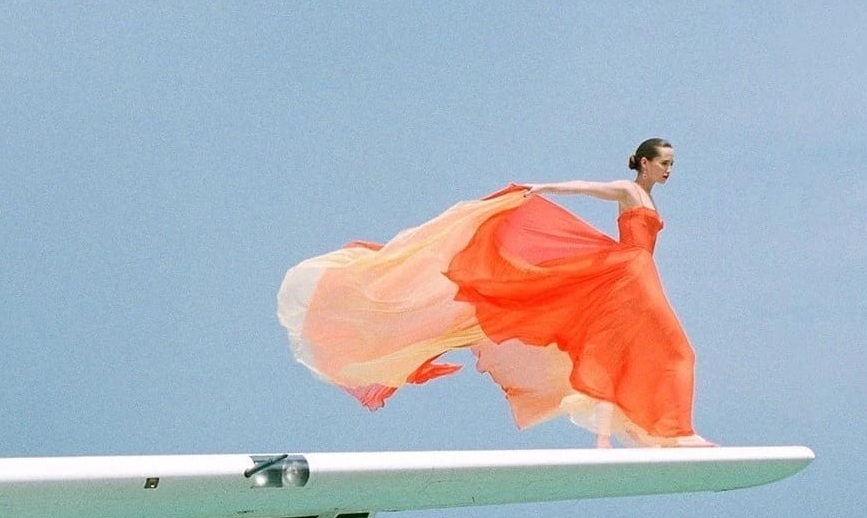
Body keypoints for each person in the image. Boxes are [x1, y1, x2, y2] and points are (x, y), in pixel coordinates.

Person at [278, 138, 712, 446]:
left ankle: (648, 432)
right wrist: (541, 188)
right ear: (643, 163)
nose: (669, 170)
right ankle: (677, 431)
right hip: (627, 273)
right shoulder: (629, 190)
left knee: (633, 349)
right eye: (664, 163)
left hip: (639, 273)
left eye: (672, 164)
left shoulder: (648, 198)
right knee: (674, 350)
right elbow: (582, 186)